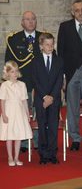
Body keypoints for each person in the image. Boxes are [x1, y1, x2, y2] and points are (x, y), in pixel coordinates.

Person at [57, 0, 82, 151]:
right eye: (77, 10)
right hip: (71, 71)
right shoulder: (65, 27)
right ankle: (75, 138)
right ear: (72, 12)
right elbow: (60, 52)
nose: (80, 12)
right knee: (71, 107)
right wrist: (63, 76)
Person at [5, 11, 41, 152]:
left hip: (39, 83)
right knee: (21, 114)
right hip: (21, 83)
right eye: (27, 19)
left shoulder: (42, 37)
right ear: (22, 22)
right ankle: (24, 143)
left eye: (33, 19)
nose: (31, 22)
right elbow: (9, 63)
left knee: (38, 112)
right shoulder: (14, 39)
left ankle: (37, 141)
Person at [32, 33, 64, 164]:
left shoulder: (59, 60)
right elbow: (35, 81)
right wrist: (45, 96)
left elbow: (59, 81)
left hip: (54, 99)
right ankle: (43, 154)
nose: (50, 47)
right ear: (41, 46)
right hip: (41, 99)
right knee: (42, 126)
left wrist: (51, 97)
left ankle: (52, 154)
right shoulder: (35, 61)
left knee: (52, 126)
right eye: (47, 45)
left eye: (52, 44)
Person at [0, 61, 32, 166]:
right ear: (8, 73)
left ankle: (16, 157)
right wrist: (4, 114)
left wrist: (27, 114)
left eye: (16, 71)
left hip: (19, 112)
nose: (15, 74)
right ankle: (10, 157)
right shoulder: (4, 85)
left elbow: (24, 101)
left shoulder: (22, 85)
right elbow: (2, 101)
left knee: (18, 136)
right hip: (9, 112)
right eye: (12, 72)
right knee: (9, 136)